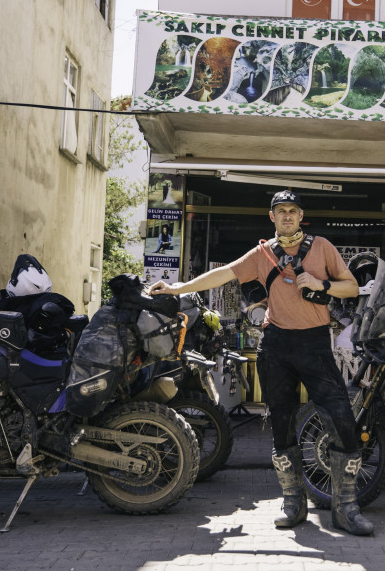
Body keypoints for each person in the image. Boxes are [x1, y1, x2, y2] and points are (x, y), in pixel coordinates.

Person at [148, 189, 372, 535]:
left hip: (314, 343)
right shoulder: (263, 254)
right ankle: (292, 502)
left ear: (301, 216)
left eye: (292, 211)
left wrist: (321, 283)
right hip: (276, 345)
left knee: (341, 417)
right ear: (272, 217)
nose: (286, 216)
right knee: (280, 423)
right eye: (280, 211)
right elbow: (221, 275)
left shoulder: (322, 247)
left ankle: (346, 506)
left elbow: (352, 288)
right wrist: (176, 290)